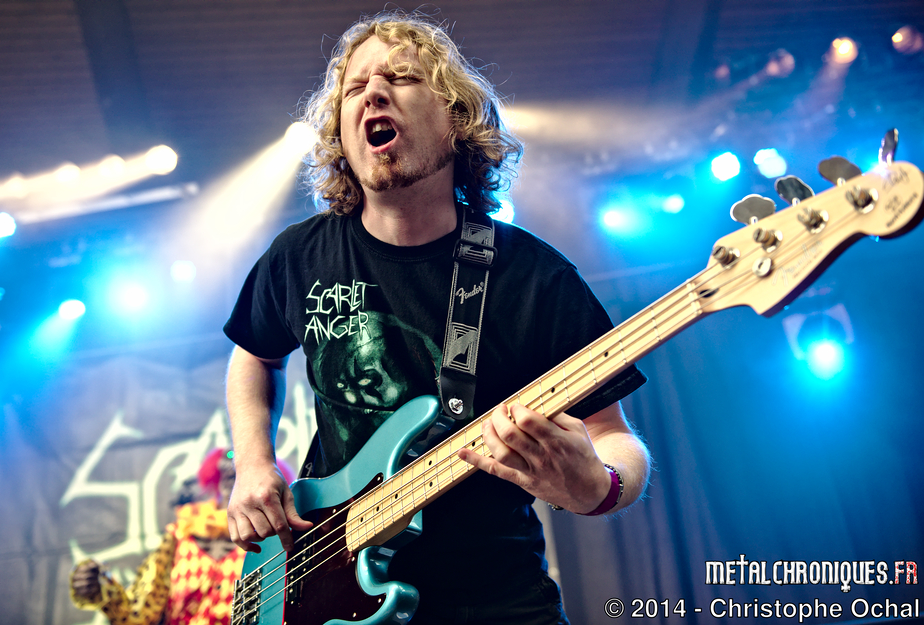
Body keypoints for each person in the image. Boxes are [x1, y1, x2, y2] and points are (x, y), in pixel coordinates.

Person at [222, 10, 651, 625]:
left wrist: (598, 486)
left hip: (496, 601)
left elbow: (614, 435)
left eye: (401, 77)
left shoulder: (534, 278)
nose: (373, 92)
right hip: (324, 583)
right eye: (354, 87)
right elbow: (254, 355)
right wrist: (254, 464)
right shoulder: (299, 255)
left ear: (456, 118)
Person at [70, 450, 294, 625]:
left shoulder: (273, 537)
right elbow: (139, 613)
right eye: (229, 456)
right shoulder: (180, 537)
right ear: (216, 479)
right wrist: (101, 589)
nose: (234, 463)